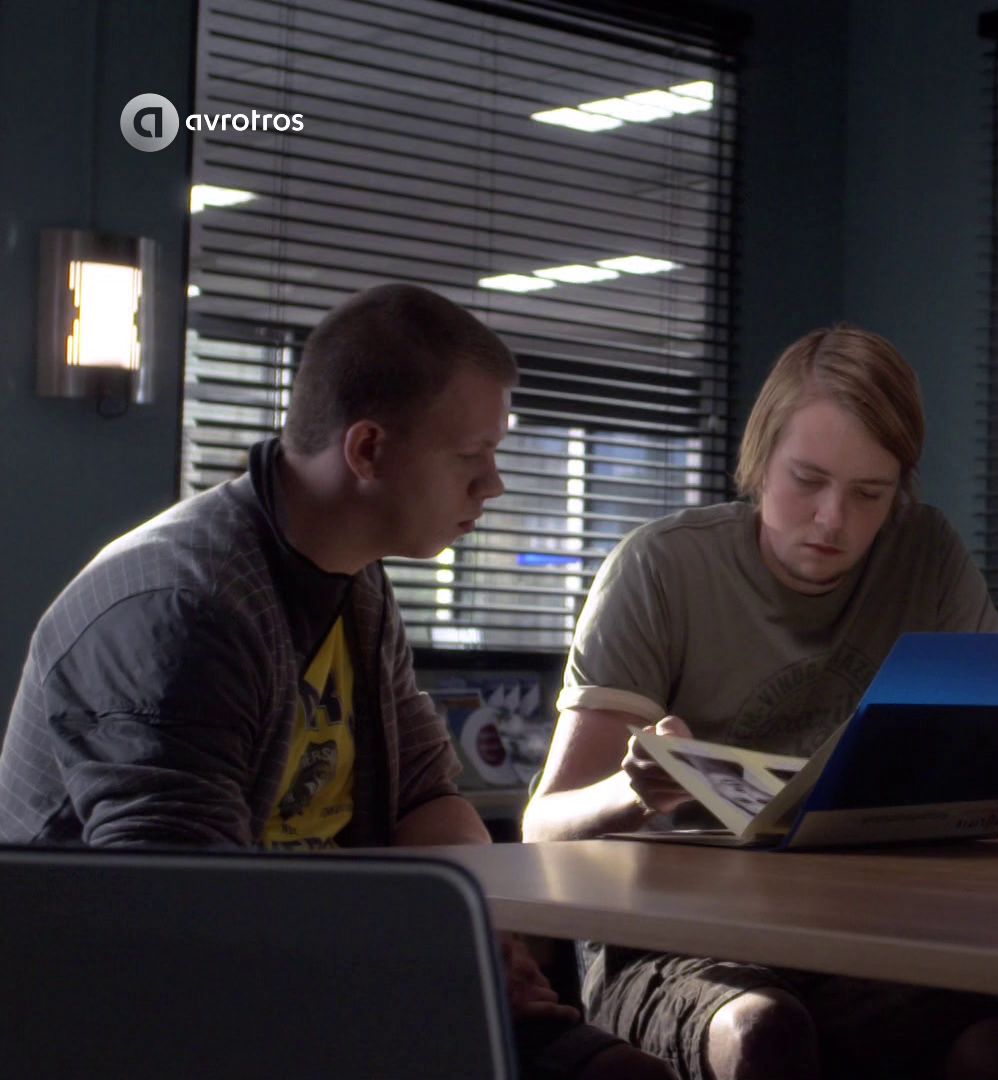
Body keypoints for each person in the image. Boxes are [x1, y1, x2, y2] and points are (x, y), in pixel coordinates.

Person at [0, 283, 671, 1080]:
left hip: (338, 969)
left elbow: (427, 800)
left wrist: (474, 937)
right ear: (367, 450)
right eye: (472, 457)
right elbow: (181, 934)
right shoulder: (181, 611)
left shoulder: (354, 581)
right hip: (156, 1014)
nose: (493, 485)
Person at [521, 326, 998, 1080]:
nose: (833, 519)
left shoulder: (926, 555)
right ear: (759, 458)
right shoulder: (659, 568)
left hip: (863, 938)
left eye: (870, 494)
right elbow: (543, 827)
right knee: (763, 1034)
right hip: (678, 939)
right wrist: (634, 789)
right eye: (807, 480)